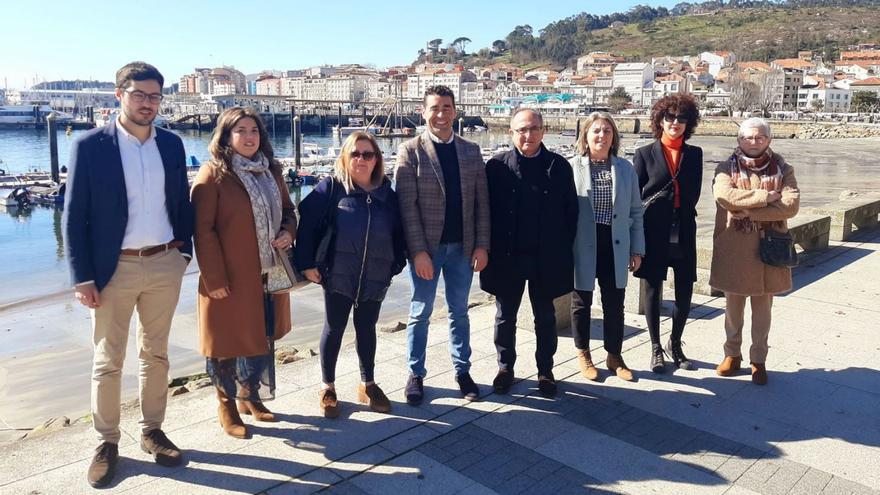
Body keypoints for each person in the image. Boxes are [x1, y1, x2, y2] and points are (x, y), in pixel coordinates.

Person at [63, 62, 193, 488]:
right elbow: (74, 215)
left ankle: (152, 431)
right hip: (111, 267)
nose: (148, 103)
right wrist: (82, 276)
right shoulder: (90, 145)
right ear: (119, 94)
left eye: (155, 96)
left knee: (155, 354)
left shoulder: (172, 145)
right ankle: (106, 442)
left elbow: (181, 202)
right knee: (108, 360)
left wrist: (183, 251)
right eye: (139, 94)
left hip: (163, 263)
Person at [191, 107, 296, 438]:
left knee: (261, 337)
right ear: (226, 136)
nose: (249, 137)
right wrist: (214, 280)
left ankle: (250, 395)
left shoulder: (271, 171)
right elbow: (202, 231)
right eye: (241, 131)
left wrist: (288, 233)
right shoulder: (213, 175)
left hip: (269, 273)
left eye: (254, 131)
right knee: (225, 343)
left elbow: (289, 212)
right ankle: (227, 406)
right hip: (230, 277)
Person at [295, 131, 407, 418]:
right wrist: (307, 263)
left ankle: (367, 383)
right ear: (345, 157)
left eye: (367, 154)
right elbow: (305, 223)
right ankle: (327, 386)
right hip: (338, 275)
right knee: (334, 328)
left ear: (377, 160)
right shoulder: (332, 188)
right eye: (355, 153)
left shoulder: (387, 195)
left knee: (367, 329)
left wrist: (397, 263)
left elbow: (401, 232)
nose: (361, 159)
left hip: (376, 276)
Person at [395, 85, 490, 404]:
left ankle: (462, 371)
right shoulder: (411, 150)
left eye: (446, 107)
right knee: (420, 312)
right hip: (428, 250)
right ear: (424, 112)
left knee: (459, 312)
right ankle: (415, 373)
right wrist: (418, 251)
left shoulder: (471, 151)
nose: (440, 114)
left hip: (462, 248)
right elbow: (406, 207)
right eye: (434, 108)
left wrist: (481, 245)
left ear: (455, 111)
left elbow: (482, 204)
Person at [480, 109, 578, 397]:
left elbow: (570, 213)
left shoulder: (559, 166)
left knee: (545, 317)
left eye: (534, 128)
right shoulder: (497, 166)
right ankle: (505, 368)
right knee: (504, 316)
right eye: (522, 129)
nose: (528, 135)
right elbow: (485, 212)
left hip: (545, 257)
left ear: (543, 131)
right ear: (511, 133)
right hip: (507, 256)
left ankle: (545, 371)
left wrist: (560, 249)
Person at [710, 117, 799, 385]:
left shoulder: (783, 167)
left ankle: (758, 360)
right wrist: (765, 197)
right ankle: (732, 354)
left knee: (763, 310)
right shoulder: (726, 167)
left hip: (769, 248)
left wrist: (748, 211)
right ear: (739, 140)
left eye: (760, 137)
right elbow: (724, 196)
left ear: (769, 139)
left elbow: (791, 205)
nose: (754, 141)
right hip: (735, 248)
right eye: (748, 137)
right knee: (733, 308)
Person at [569, 112, 645, 382]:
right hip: (583, 244)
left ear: (614, 137)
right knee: (581, 303)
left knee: (615, 303)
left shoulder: (625, 169)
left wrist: (637, 249)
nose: (601, 136)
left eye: (607, 131)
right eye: (596, 131)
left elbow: (636, 211)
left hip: (616, 242)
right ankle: (584, 354)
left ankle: (614, 355)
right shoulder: (573, 167)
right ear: (586, 136)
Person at [633, 94, 703, 373]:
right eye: (670, 117)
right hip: (653, 230)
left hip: (684, 229)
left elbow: (694, 195)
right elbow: (637, 199)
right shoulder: (644, 154)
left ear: (689, 123)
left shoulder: (694, 154)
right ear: (660, 120)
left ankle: (676, 343)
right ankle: (655, 347)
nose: (675, 123)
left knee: (684, 291)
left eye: (681, 118)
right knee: (652, 290)